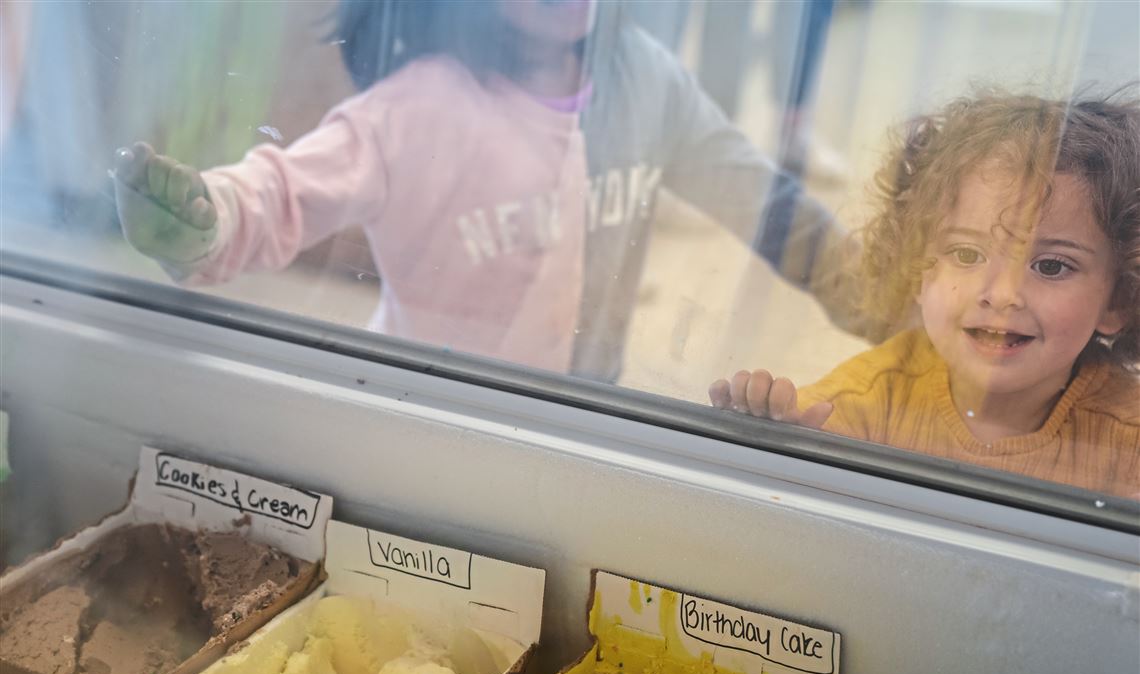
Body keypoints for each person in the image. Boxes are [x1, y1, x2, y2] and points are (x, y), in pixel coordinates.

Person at [112, 0, 860, 382]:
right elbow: (282, 192)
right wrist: (209, 218)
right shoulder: (420, 108)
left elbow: (766, 203)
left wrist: (884, 292)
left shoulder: (641, 76)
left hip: (580, 415)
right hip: (425, 418)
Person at [710, 90, 1140, 498]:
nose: (1002, 294)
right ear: (915, 269)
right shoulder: (865, 400)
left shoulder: (1128, 436)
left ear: (1118, 299)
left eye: (1050, 266)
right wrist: (772, 444)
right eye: (967, 253)